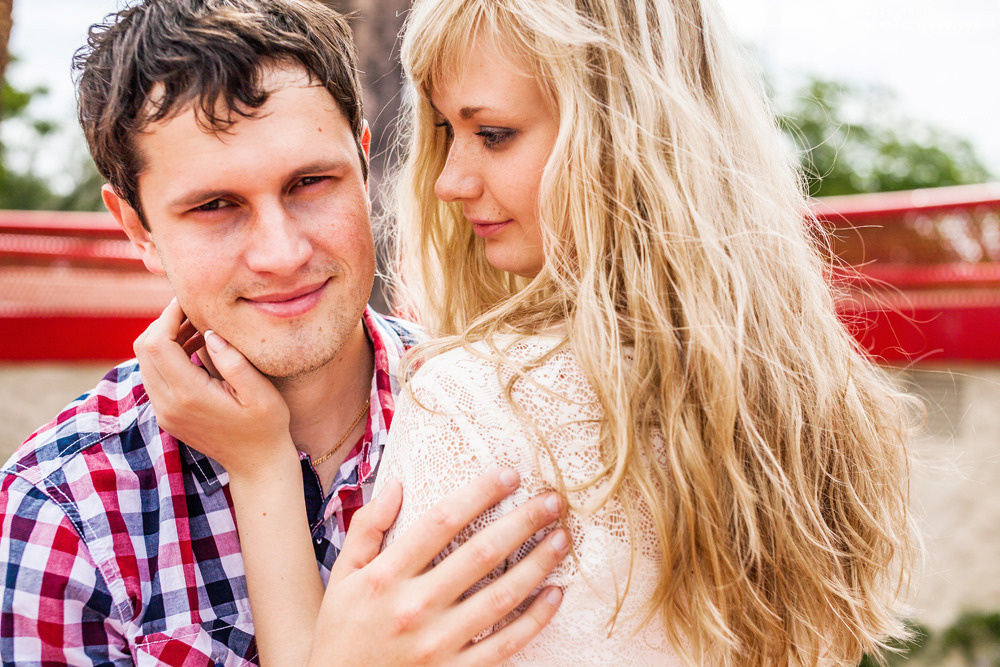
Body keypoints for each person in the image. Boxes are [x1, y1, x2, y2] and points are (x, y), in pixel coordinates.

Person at [141, 0, 918, 665]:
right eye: (448, 132)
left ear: (619, 137)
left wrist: (261, 466)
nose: (449, 180)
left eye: (495, 133)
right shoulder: (815, 404)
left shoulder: (474, 403)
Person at [0, 1, 569, 664]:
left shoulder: (511, 416)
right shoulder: (60, 515)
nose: (282, 252)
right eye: (215, 206)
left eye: (310, 182)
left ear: (361, 162)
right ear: (136, 227)